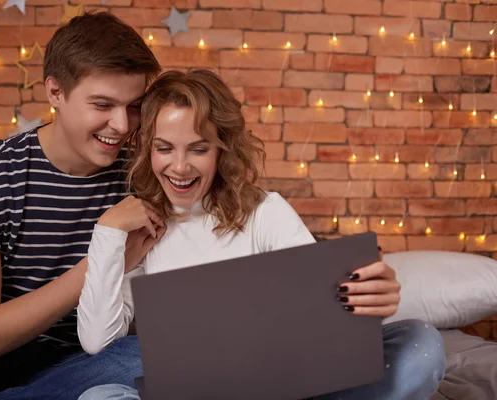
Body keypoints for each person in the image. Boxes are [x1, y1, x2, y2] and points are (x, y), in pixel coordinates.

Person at [76, 69, 446, 400]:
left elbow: (328, 315)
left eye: (199, 149)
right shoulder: (144, 232)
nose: (180, 166)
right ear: (148, 150)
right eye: (164, 149)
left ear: (222, 151)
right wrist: (107, 232)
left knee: (419, 341)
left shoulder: (265, 212)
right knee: (99, 395)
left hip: (282, 382)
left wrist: (368, 295)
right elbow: (96, 341)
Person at [0, 12, 162, 400]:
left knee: (152, 356)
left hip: (80, 367)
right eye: (103, 105)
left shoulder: (145, 174)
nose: (122, 125)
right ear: (55, 93)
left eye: (134, 106)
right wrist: (103, 258)